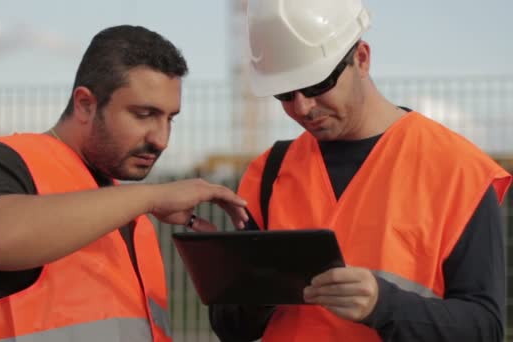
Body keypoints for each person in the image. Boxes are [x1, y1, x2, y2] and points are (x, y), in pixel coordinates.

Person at [209, 0, 511, 341]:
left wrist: (384, 305)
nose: (303, 107)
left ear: (362, 59)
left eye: (317, 85)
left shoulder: (457, 170)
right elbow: (230, 327)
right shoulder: (269, 172)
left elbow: (484, 328)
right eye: (285, 93)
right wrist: (255, 291)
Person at [0, 25, 248, 342]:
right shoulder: (6, 162)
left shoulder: (127, 209)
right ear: (86, 104)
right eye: (144, 114)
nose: (161, 139)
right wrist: (151, 197)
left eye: (170, 118)